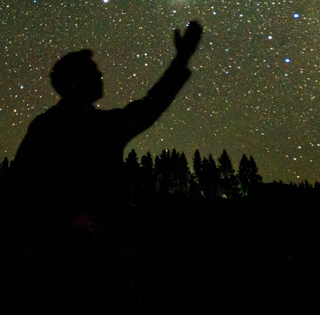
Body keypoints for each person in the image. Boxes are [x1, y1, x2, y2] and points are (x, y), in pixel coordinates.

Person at [13, 20, 203, 233]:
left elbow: (151, 106)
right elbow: (20, 187)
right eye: (92, 71)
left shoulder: (103, 124)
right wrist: (64, 219)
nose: (100, 75)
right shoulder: (49, 127)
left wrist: (181, 60)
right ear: (73, 83)